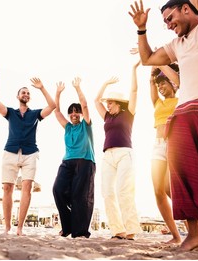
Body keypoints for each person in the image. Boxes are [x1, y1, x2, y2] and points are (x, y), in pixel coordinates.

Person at [129, 0, 198, 252]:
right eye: (165, 22)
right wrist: (141, 29)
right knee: (182, 172)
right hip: (185, 109)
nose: (168, 25)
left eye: (170, 18)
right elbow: (147, 58)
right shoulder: (176, 45)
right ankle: (195, 235)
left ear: (186, 8)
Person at [0, 64, 56, 236]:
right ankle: (7, 227)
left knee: (27, 187)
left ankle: (20, 228)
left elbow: (53, 105)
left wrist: (42, 88)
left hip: (30, 153)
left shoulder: (35, 114)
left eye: (28, 93)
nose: (25, 94)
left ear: (29, 98)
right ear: (18, 96)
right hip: (10, 151)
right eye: (23, 92)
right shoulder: (10, 112)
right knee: (7, 189)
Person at [94, 57, 141, 240]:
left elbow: (134, 91)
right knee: (107, 192)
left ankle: (131, 230)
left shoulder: (128, 113)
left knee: (124, 190)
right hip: (108, 155)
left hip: (124, 153)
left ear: (118, 103)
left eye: (110, 102)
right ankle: (117, 230)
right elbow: (96, 100)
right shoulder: (106, 116)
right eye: (107, 103)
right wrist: (105, 83)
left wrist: (134, 69)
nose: (107, 105)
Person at [52, 77, 96, 238]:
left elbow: (84, 105)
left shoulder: (86, 125)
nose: (73, 114)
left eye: (76, 111)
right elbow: (56, 111)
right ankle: (68, 226)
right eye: (71, 112)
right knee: (57, 190)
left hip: (85, 162)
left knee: (80, 196)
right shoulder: (68, 127)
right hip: (67, 162)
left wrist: (78, 88)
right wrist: (58, 93)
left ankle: (80, 231)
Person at [149, 63, 182, 244]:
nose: (161, 87)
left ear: (173, 84)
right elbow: (151, 84)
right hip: (157, 145)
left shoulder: (180, 100)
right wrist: (153, 67)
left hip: (174, 144)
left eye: (164, 83)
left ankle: (195, 228)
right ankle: (176, 235)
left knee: (172, 189)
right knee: (158, 190)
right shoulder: (158, 102)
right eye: (159, 84)